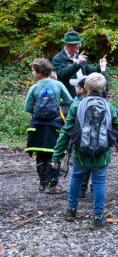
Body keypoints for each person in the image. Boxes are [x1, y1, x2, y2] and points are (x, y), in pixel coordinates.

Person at [51, 73, 118, 228]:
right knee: (99, 183)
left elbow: (66, 131)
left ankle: (71, 210)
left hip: (81, 152)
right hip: (102, 155)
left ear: (84, 88)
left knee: (77, 178)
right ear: (104, 89)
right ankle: (98, 217)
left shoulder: (77, 106)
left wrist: (57, 156)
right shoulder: (109, 106)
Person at [25, 58, 72, 193]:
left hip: (37, 126)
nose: (33, 73)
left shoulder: (33, 88)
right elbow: (69, 100)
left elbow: (28, 107)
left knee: (40, 154)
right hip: (55, 125)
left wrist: (39, 112)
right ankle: (53, 185)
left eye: (33, 71)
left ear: (39, 73)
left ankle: (42, 182)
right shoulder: (58, 85)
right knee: (54, 153)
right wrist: (56, 104)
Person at [52, 29, 107, 98]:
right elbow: (62, 75)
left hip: (83, 96)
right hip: (68, 98)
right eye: (78, 43)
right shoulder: (57, 59)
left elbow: (89, 71)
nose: (80, 46)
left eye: (80, 43)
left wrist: (100, 66)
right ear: (70, 45)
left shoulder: (79, 57)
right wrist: (77, 64)